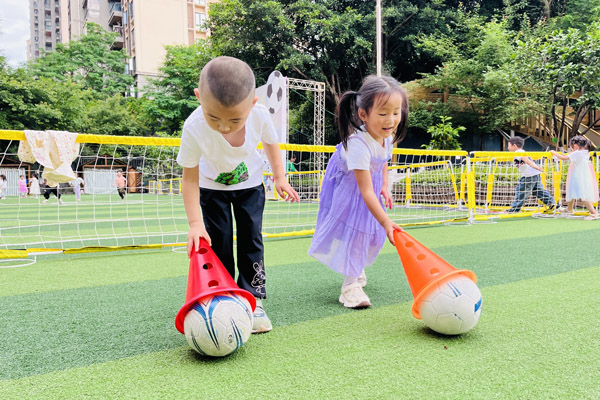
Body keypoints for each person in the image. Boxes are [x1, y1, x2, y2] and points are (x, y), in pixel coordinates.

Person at [177, 56, 300, 333]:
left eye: (234, 119)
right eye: (214, 117)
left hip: (250, 187)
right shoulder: (194, 127)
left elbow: (271, 144)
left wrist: (279, 177)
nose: (223, 127)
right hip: (212, 190)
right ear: (199, 98)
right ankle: (224, 297)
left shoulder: (259, 115)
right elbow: (189, 179)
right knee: (217, 244)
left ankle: (253, 301)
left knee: (250, 240)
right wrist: (195, 224)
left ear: (252, 104)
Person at [307, 75, 408, 309]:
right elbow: (364, 191)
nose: (390, 120)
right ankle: (350, 287)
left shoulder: (387, 136)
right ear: (363, 114)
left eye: (396, 112)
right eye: (383, 113)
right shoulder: (357, 144)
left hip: (368, 185)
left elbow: (383, 161)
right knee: (356, 231)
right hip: (349, 186)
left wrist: (384, 185)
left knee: (369, 233)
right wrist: (387, 222)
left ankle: (355, 267)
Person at [550, 135, 599, 220]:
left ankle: (594, 213)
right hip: (579, 175)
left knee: (583, 195)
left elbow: (564, 158)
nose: (571, 148)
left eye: (571, 146)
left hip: (579, 176)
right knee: (572, 191)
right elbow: (569, 155)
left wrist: (553, 152)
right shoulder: (584, 152)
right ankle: (569, 209)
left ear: (575, 145)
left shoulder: (577, 153)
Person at [504, 136, 557, 213]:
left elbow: (526, 160)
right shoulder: (522, 151)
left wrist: (535, 166)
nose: (508, 148)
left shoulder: (518, 152)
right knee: (538, 190)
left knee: (521, 190)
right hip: (534, 174)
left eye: (508, 145)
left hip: (528, 175)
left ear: (514, 146)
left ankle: (515, 208)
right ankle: (552, 202)